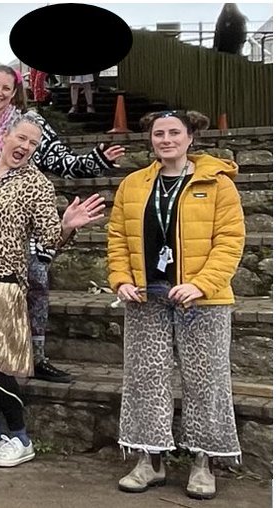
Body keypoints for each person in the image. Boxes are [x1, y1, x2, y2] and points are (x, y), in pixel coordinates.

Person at [0, 114, 104, 468]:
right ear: (5, 136)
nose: (26, 147)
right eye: (22, 138)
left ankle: (19, 436)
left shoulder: (36, 183)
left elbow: (48, 239)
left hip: (1, 282)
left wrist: (66, 226)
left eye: (33, 143)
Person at [0, 64, 126, 384]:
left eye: (7, 87)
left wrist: (97, 159)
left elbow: (63, 162)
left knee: (33, 285)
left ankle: (35, 356)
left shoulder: (31, 124)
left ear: (15, 92)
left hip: (22, 227)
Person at [108, 110, 244, 500]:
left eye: (174, 133)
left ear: (190, 138)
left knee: (207, 381)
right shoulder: (134, 185)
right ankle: (148, 459)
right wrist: (120, 280)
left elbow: (230, 240)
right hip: (146, 297)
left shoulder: (217, 183)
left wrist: (201, 285)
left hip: (204, 300)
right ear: (151, 139)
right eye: (159, 133)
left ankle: (204, 461)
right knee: (145, 379)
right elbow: (117, 238)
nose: (166, 139)